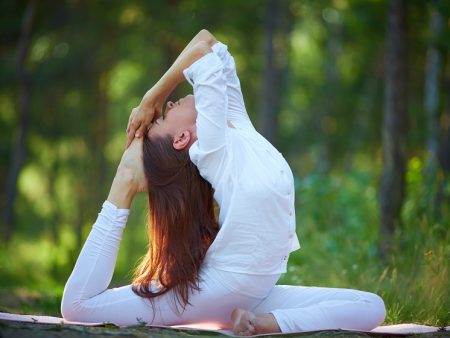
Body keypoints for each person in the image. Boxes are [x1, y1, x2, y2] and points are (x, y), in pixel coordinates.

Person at [61, 30, 386, 335]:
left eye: (162, 108)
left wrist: (151, 100)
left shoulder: (235, 123)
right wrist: (151, 99)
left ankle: (259, 323)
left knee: (371, 306)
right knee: (79, 307)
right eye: (163, 116)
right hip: (218, 288)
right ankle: (125, 183)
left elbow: (207, 40)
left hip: (250, 291)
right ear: (183, 138)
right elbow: (201, 53)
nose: (168, 104)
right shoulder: (211, 145)